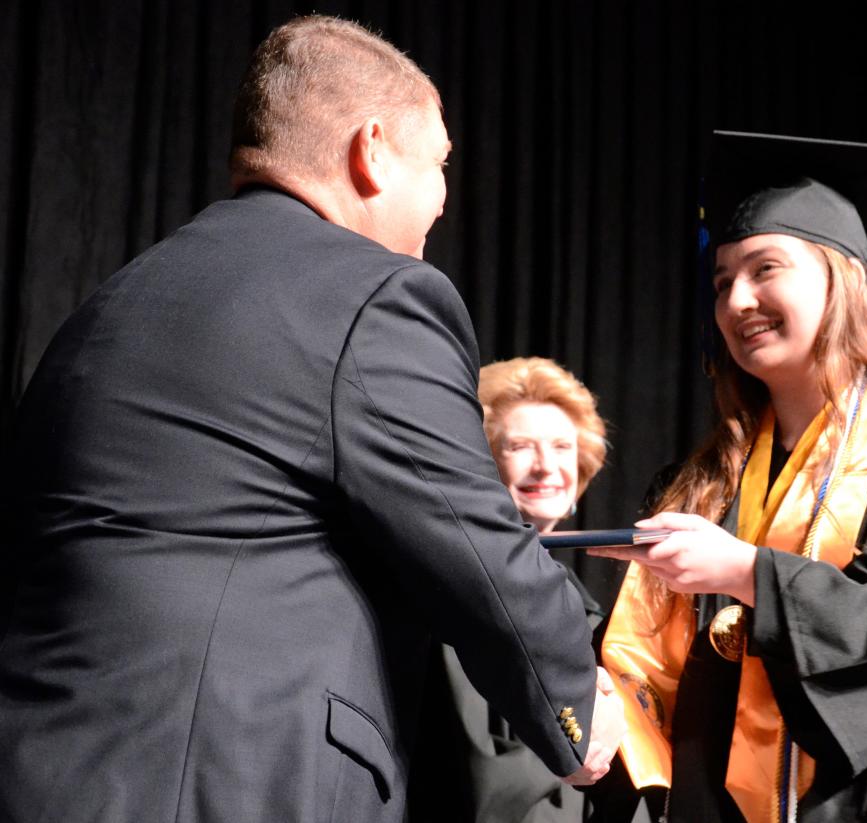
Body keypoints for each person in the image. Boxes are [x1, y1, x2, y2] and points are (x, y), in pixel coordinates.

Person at [0, 16, 621, 823]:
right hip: (217, 776)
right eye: (438, 165)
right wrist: (578, 704)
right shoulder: (374, 294)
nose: (441, 201)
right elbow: (478, 545)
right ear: (371, 151)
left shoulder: (113, 304)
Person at [595, 132, 867, 822]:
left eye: (766, 269)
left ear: (842, 277)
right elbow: (658, 673)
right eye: (722, 281)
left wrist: (748, 573)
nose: (738, 299)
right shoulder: (704, 481)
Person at [426, 356, 626, 822]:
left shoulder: (587, 612)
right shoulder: (460, 593)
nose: (547, 466)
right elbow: (475, 769)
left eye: (561, 446)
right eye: (520, 446)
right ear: (485, 462)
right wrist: (581, 748)